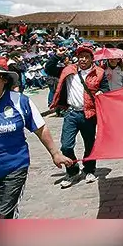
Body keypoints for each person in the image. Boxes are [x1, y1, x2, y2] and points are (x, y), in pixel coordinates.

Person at [0, 56, 74, 217]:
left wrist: (55, 154)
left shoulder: (19, 102)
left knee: (3, 214)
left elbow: (40, 128)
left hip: (13, 168)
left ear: (5, 80)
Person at [49, 44, 110, 188]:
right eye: (80, 56)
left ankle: (89, 169)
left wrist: (102, 92)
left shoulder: (99, 73)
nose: (83, 59)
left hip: (89, 113)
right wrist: (57, 56)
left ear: (91, 59)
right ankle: (72, 170)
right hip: (71, 113)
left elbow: (105, 88)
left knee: (89, 143)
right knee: (66, 146)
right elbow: (49, 69)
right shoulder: (68, 70)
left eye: (86, 57)